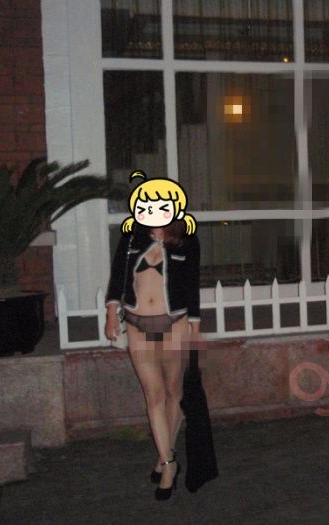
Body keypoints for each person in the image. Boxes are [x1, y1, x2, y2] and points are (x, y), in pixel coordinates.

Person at [104, 171, 200, 501]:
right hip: (137, 325)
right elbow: (117, 276)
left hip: (175, 323)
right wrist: (111, 312)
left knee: (174, 392)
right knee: (154, 394)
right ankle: (170, 464)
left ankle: (163, 454)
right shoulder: (132, 237)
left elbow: (192, 284)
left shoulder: (186, 240)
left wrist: (196, 325)